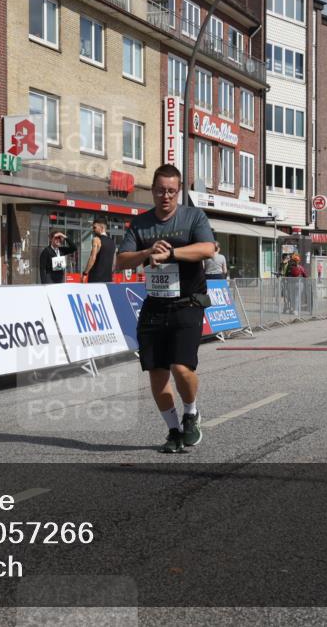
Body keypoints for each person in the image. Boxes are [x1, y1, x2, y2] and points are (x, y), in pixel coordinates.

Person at [115, 164, 215, 454]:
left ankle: (191, 413)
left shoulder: (193, 216)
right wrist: (147, 252)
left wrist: (170, 252)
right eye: (160, 190)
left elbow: (208, 249)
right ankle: (173, 431)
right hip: (155, 305)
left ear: (179, 190)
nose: (166, 196)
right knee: (157, 374)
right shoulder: (141, 223)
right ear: (153, 191)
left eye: (172, 191)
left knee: (181, 367)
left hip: (188, 302)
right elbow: (121, 261)